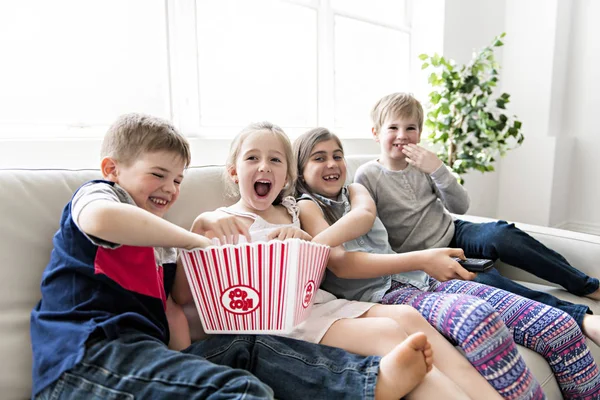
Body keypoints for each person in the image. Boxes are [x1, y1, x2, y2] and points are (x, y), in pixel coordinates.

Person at [30, 113, 428, 400]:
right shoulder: (102, 195)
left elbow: (173, 309)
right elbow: (102, 218)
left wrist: (189, 363)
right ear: (112, 169)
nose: (170, 188)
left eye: (178, 180)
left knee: (249, 344)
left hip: (149, 356)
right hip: (84, 362)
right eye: (158, 174)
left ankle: (365, 384)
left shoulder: (162, 245)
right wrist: (196, 242)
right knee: (242, 391)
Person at [192, 121, 506, 400]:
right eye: (252, 158)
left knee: (409, 317)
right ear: (233, 171)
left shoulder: (294, 209)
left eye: (275, 159)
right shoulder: (219, 221)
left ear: (287, 174)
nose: (264, 167)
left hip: (320, 302)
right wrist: (201, 226)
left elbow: (344, 238)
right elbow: (198, 290)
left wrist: (305, 239)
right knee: (389, 332)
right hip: (286, 320)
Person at [294, 126, 600, 400]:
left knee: (559, 325)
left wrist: (318, 242)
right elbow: (343, 266)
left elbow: (363, 217)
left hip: (422, 278)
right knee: (477, 319)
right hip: (384, 297)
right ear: (300, 170)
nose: (332, 163)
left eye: (337, 155)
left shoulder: (356, 189)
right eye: (319, 158)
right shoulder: (306, 206)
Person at [353, 91, 600, 345]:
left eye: (410, 127)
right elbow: (370, 233)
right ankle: (579, 318)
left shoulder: (424, 163)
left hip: (453, 231)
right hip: (426, 258)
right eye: (393, 127)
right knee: (487, 282)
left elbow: (460, 205)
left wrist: (437, 169)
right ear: (376, 133)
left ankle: (588, 286)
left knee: (503, 234)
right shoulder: (367, 175)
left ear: (420, 132)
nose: (402, 135)